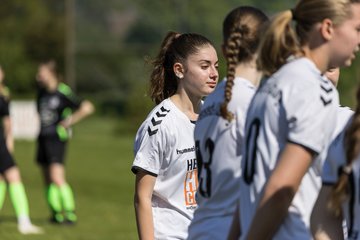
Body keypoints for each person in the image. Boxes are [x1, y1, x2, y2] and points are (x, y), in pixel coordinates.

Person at [237, 0, 360, 239]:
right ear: (327, 28)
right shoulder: (314, 89)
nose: (359, 40)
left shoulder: (273, 82)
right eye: (357, 30)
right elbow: (282, 190)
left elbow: (247, 192)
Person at [186, 6, 268, 240]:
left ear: (225, 50)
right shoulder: (254, 103)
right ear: (267, 46)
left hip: (200, 229)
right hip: (234, 231)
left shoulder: (212, 100)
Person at [131, 31, 218, 239]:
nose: (214, 73)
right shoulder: (160, 124)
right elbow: (142, 197)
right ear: (179, 70)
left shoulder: (213, 116)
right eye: (205, 66)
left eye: (216, 65)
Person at [35, 60, 94, 224]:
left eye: (41, 73)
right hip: (42, 138)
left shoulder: (62, 92)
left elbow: (87, 107)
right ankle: (55, 214)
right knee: (47, 178)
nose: (38, 76)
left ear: (51, 74)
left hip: (56, 139)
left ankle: (69, 213)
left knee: (57, 177)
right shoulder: (41, 92)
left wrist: (69, 122)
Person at [0, 65, 43, 234]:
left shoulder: (4, 95)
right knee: (14, 177)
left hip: (2, 144)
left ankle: (24, 221)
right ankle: (24, 223)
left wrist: (9, 141)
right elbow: (7, 123)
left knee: (3, 180)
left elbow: (8, 124)